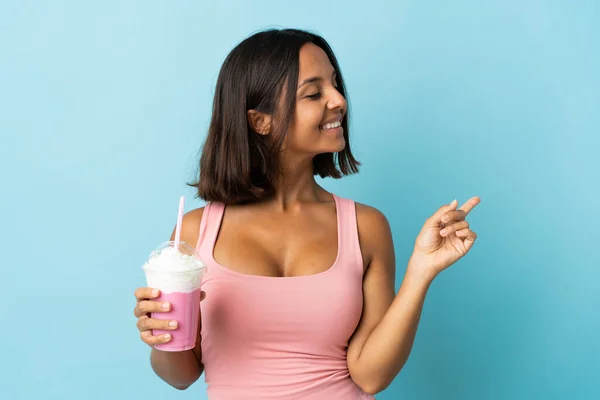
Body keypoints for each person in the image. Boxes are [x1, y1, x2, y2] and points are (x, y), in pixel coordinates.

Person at [133, 28, 480, 399]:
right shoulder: (195, 233)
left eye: (335, 84)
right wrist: (161, 336)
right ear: (259, 121)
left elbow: (371, 376)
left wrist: (421, 271)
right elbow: (180, 375)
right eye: (314, 93)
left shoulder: (365, 226)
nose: (339, 100)